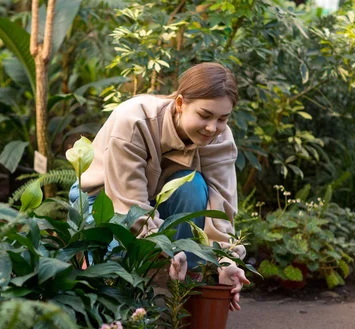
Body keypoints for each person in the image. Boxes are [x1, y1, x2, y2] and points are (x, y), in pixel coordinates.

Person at [69, 62, 249, 310]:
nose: (212, 128)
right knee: (114, 278)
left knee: (193, 186)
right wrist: (166, 248)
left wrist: (224, 259)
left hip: (156, 200)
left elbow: (221, 204)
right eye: (204, 115)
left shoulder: (219, 137)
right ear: (179, 103)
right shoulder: (134, 121)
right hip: (103, 198)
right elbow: (128, 206)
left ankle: (185, 294)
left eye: (222, 118)